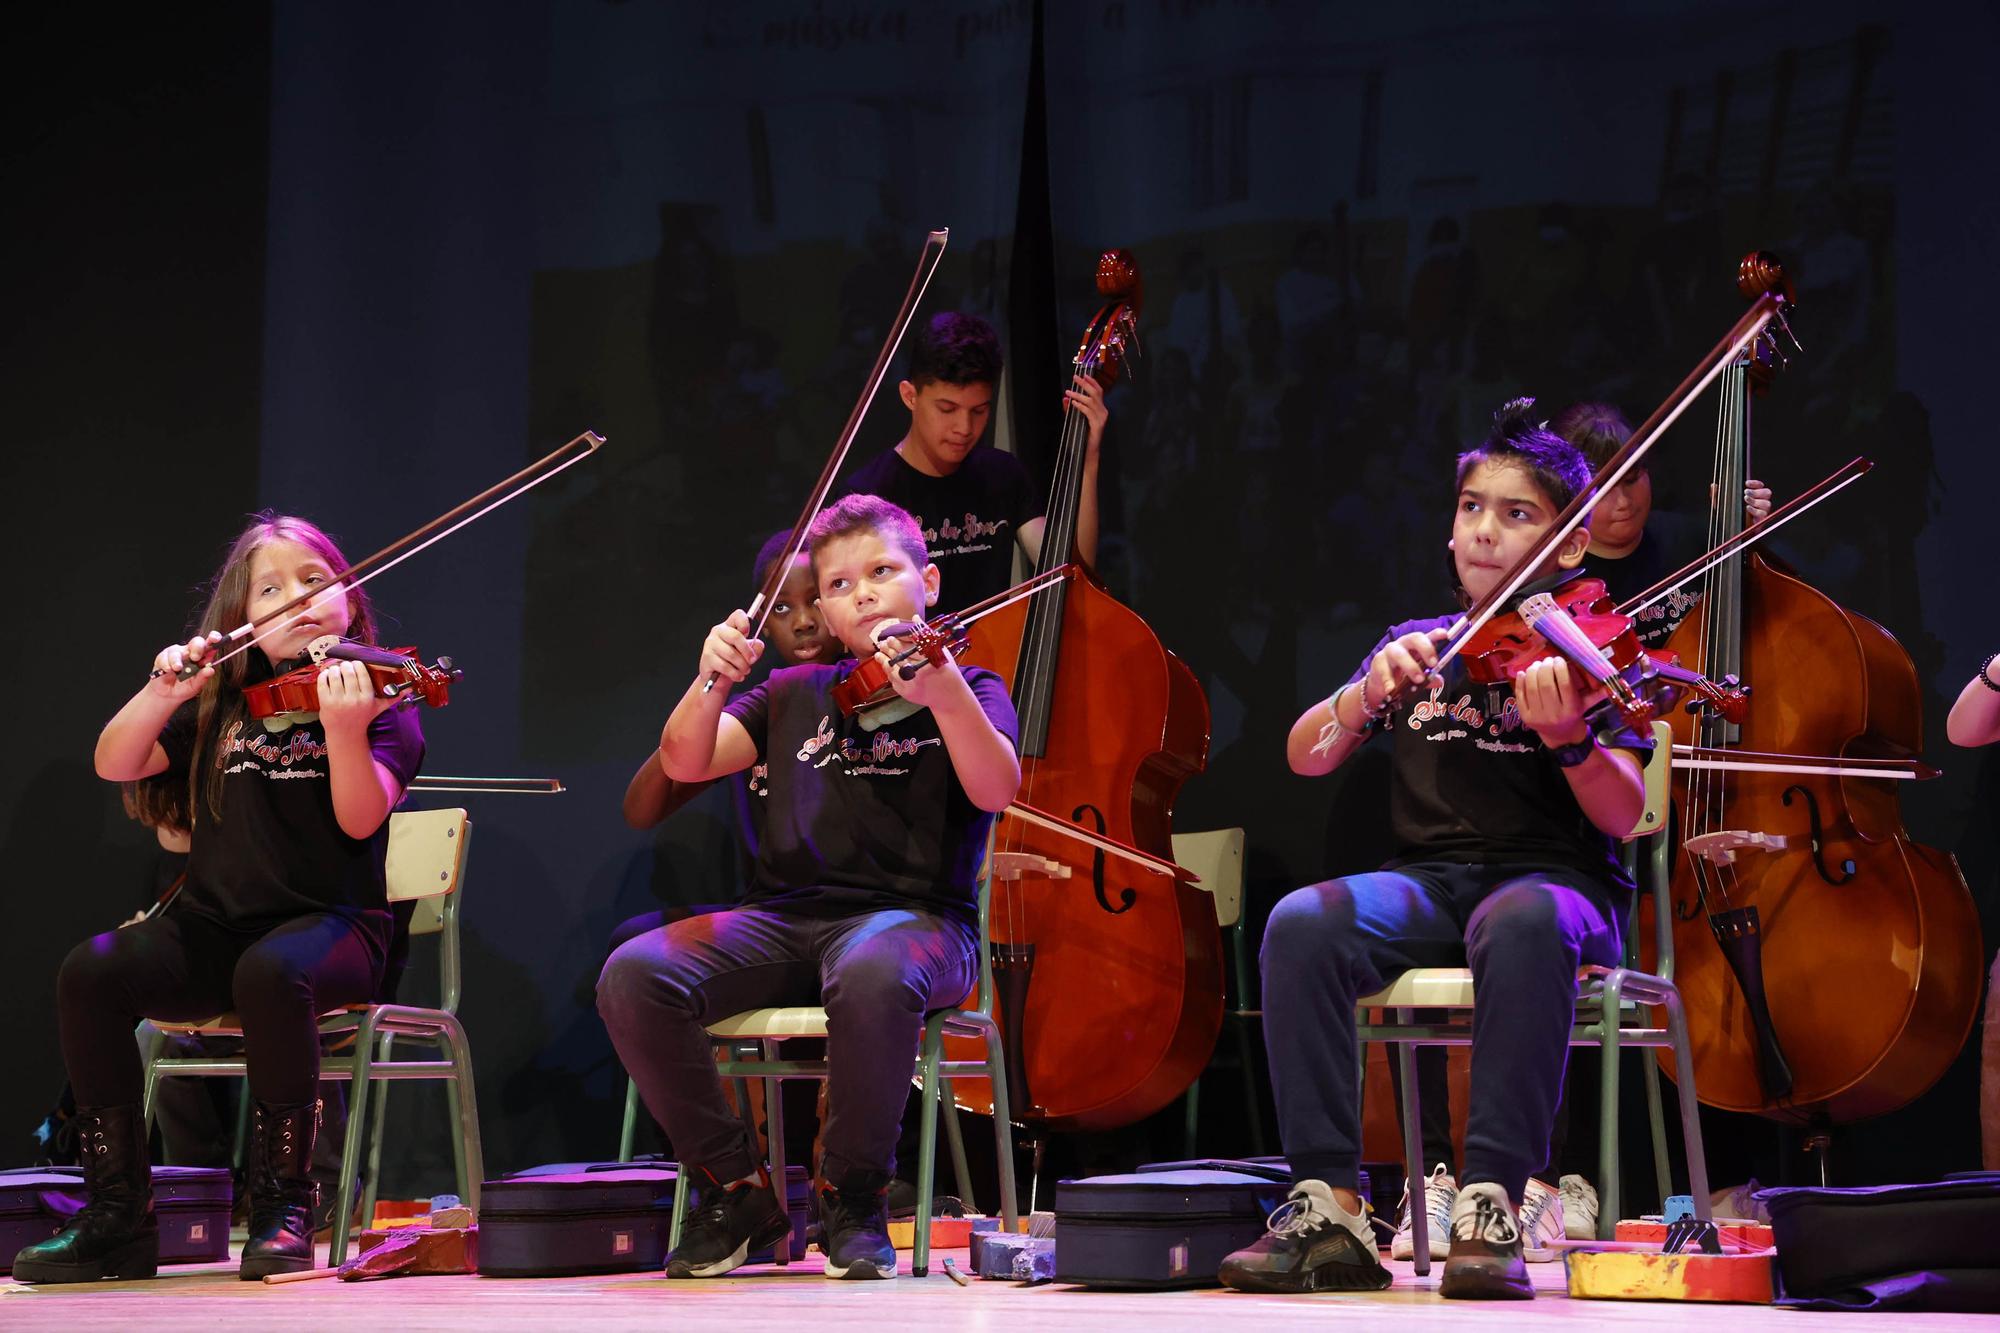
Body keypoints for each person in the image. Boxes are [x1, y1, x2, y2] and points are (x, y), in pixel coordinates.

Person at [1220, 401, 1650, 1299]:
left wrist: (1570, 739)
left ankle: (1490, 1198)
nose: (1485, 529)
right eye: (1471, 507)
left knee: (1523, 916)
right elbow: (1305, 755)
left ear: (1571, 546)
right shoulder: (1417, 645)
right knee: (1303, 923)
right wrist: (1357, 698)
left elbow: (1622, 811)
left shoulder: (1590, 653)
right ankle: (1330, 1205)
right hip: (1431, 884)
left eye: (1517, 513)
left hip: (1558, 887)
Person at [598, 492, 1019, 1281]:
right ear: (823, 606)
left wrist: (945, 694)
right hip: (786, 923)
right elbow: (685, 761)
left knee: (869, 966)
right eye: (839, 583)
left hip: (920, 925)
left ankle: (853, 1195)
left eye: (883, 572)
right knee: (636, 972)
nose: (860, 593)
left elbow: (997, 787)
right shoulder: (797, 694)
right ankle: (737, 1189)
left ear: (927, 581)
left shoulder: (970, 682)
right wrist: (710, 680)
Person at [14, 514, 425, 1285]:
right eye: (271, 590)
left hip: (334, 930)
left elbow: (359, 817)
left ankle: (282, 1206)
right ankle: (116, 1216)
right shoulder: (224, 707)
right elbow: (115, 760)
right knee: (90, 970)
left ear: (348, 595)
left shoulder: (383, 701)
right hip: (216, 930)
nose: (299, 597)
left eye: (314, 579)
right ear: (242, 624)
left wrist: (342, 729)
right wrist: (161, 688)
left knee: (272, 972)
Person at [836, 311, 1107, 613]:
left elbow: (1069, 569)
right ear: (910, 396)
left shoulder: (1002, 475)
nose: (964, 428)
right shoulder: (868, 494)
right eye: (947, 409)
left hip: (994, 659)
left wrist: (1089, 459)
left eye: (978, 411)